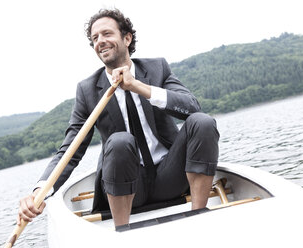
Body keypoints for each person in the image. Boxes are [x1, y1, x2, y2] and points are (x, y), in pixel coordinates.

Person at [18, 8, 219, 227]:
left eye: (107, 34)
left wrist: (137, 86)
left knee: (203, 122)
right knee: (120, 140)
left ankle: (199, 215)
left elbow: (191, 107)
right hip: (126, 188)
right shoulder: (87, 90)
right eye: (95, 38)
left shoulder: (157, 68)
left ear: (127, 38)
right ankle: (122, 231)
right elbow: (70, 150)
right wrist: (40, 191)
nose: (100, 41)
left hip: (170, 177)